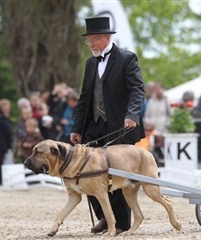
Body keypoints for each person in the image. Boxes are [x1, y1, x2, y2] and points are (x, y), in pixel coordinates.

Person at [70, 17, 145, 234]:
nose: (91, 44)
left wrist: (132, 115)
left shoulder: (127, 58)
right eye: (88, 41)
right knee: (87, 172)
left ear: (106, 37)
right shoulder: (90, 63)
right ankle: (104, 217)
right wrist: (76, 128)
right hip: (94, 125)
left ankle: (121, 223)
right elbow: (85, 98)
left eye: (94, 40)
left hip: (120, 126)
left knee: (116, 173)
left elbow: (137, 90)